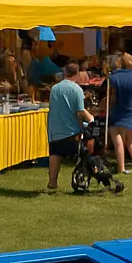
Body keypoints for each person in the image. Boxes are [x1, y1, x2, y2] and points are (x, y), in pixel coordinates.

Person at [46, 62, 94, 191]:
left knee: (55, 153)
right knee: (85, 153)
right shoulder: (77, 89)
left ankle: (52, 182)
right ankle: (82, 178)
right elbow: (80, 111)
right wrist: (91, 119)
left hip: (55, 130)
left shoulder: (54, 88)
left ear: (65, 72)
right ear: (77, 74)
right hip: (71, 132)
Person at [105, 53, 132, 175]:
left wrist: (107, 106)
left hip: (117, 110)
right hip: (129, 109)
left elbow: (112, 98)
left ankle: (121, 166)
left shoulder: (113, 78)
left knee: (117, 136)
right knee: (131, 137)